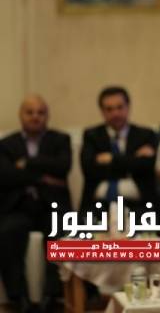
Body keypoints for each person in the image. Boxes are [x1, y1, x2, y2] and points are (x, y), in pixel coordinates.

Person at [0, 95, 72, 312]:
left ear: (47, 116)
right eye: (30, 112)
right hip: (17, 206)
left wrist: (27, 164)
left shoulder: (60, 140)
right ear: (20, 115)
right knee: (7, 232)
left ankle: (52, 296)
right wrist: (42, 177)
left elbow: (62, 166)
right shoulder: (6, 144)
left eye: (40, 112)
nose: (35, 117)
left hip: (52, 206)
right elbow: (6, 176)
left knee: (61, 230)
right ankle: (18, 297)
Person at [80, 86, 157, 213]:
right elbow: (88, 169)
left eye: (120, 107)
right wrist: (132, 160)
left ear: (128, 107)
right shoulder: (92, 135)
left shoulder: (145, 135)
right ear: (102, 111)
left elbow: (146, 166)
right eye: (109, 109)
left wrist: (111, 159)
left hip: (139, 205)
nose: (115, 113)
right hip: (98, 204)